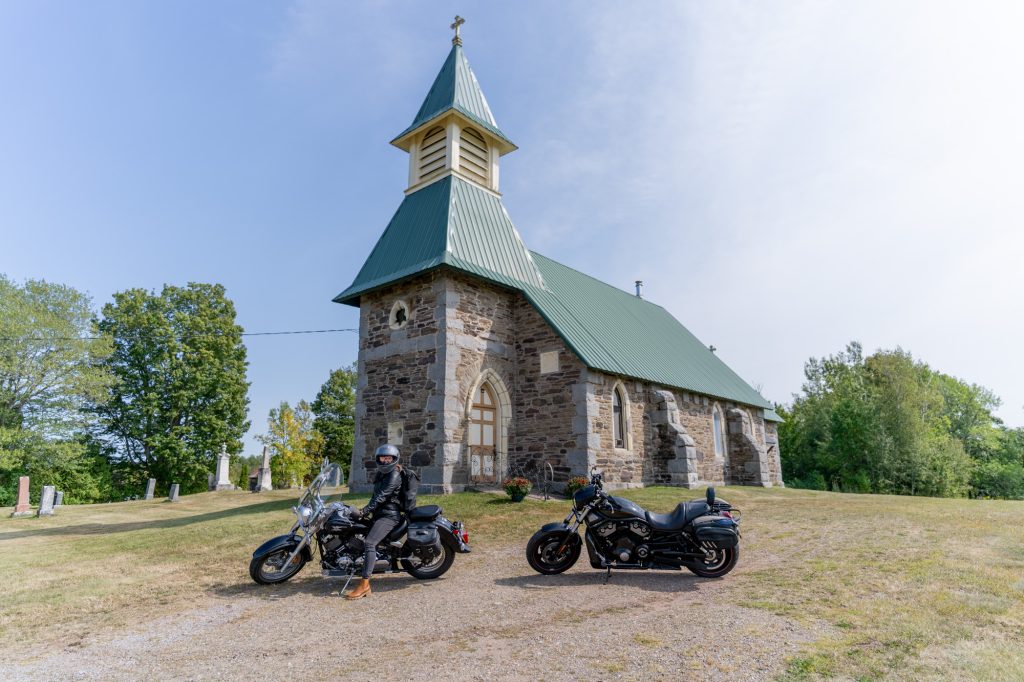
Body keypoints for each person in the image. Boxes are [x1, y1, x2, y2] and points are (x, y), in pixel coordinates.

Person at [344, 444, 403, 600]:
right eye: (382, 458)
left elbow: (381, 497)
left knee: (370, 543)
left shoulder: (394, 475)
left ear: (394, 459)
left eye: (388, 458)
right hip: (379, 514)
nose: (384, 461)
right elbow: (374, 496)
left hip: (389, 516)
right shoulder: (382, 474)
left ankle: (365, 585)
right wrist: (363, 511)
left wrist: (364, 511)